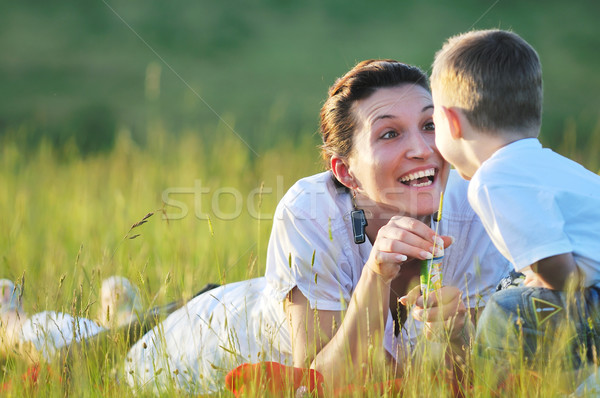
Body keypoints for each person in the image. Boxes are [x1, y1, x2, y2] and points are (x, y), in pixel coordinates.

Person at [124, 59, 511, 395]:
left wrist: (458, 336)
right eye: (390, 133)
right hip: (196, 347)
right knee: (94, 346)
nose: (422, 149)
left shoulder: (476, 205)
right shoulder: (308, 210)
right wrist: (376, 274)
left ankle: (128, 308)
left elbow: (468, 381)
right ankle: (130, 317)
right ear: (346, 172)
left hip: (263, 294)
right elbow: (322, 384)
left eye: (430, 125)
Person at [430, 29, 600, 370]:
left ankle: (494, 389)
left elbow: (560, 272)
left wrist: (544, 279)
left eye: (431, 121)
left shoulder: (493, 180)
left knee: (508, 307)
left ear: (451, 122)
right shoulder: (549, 164)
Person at [0, 276, 142, 363]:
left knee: (38, 331)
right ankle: (122, 323)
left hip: (64, 338)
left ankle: (8, 319)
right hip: (63, 347)